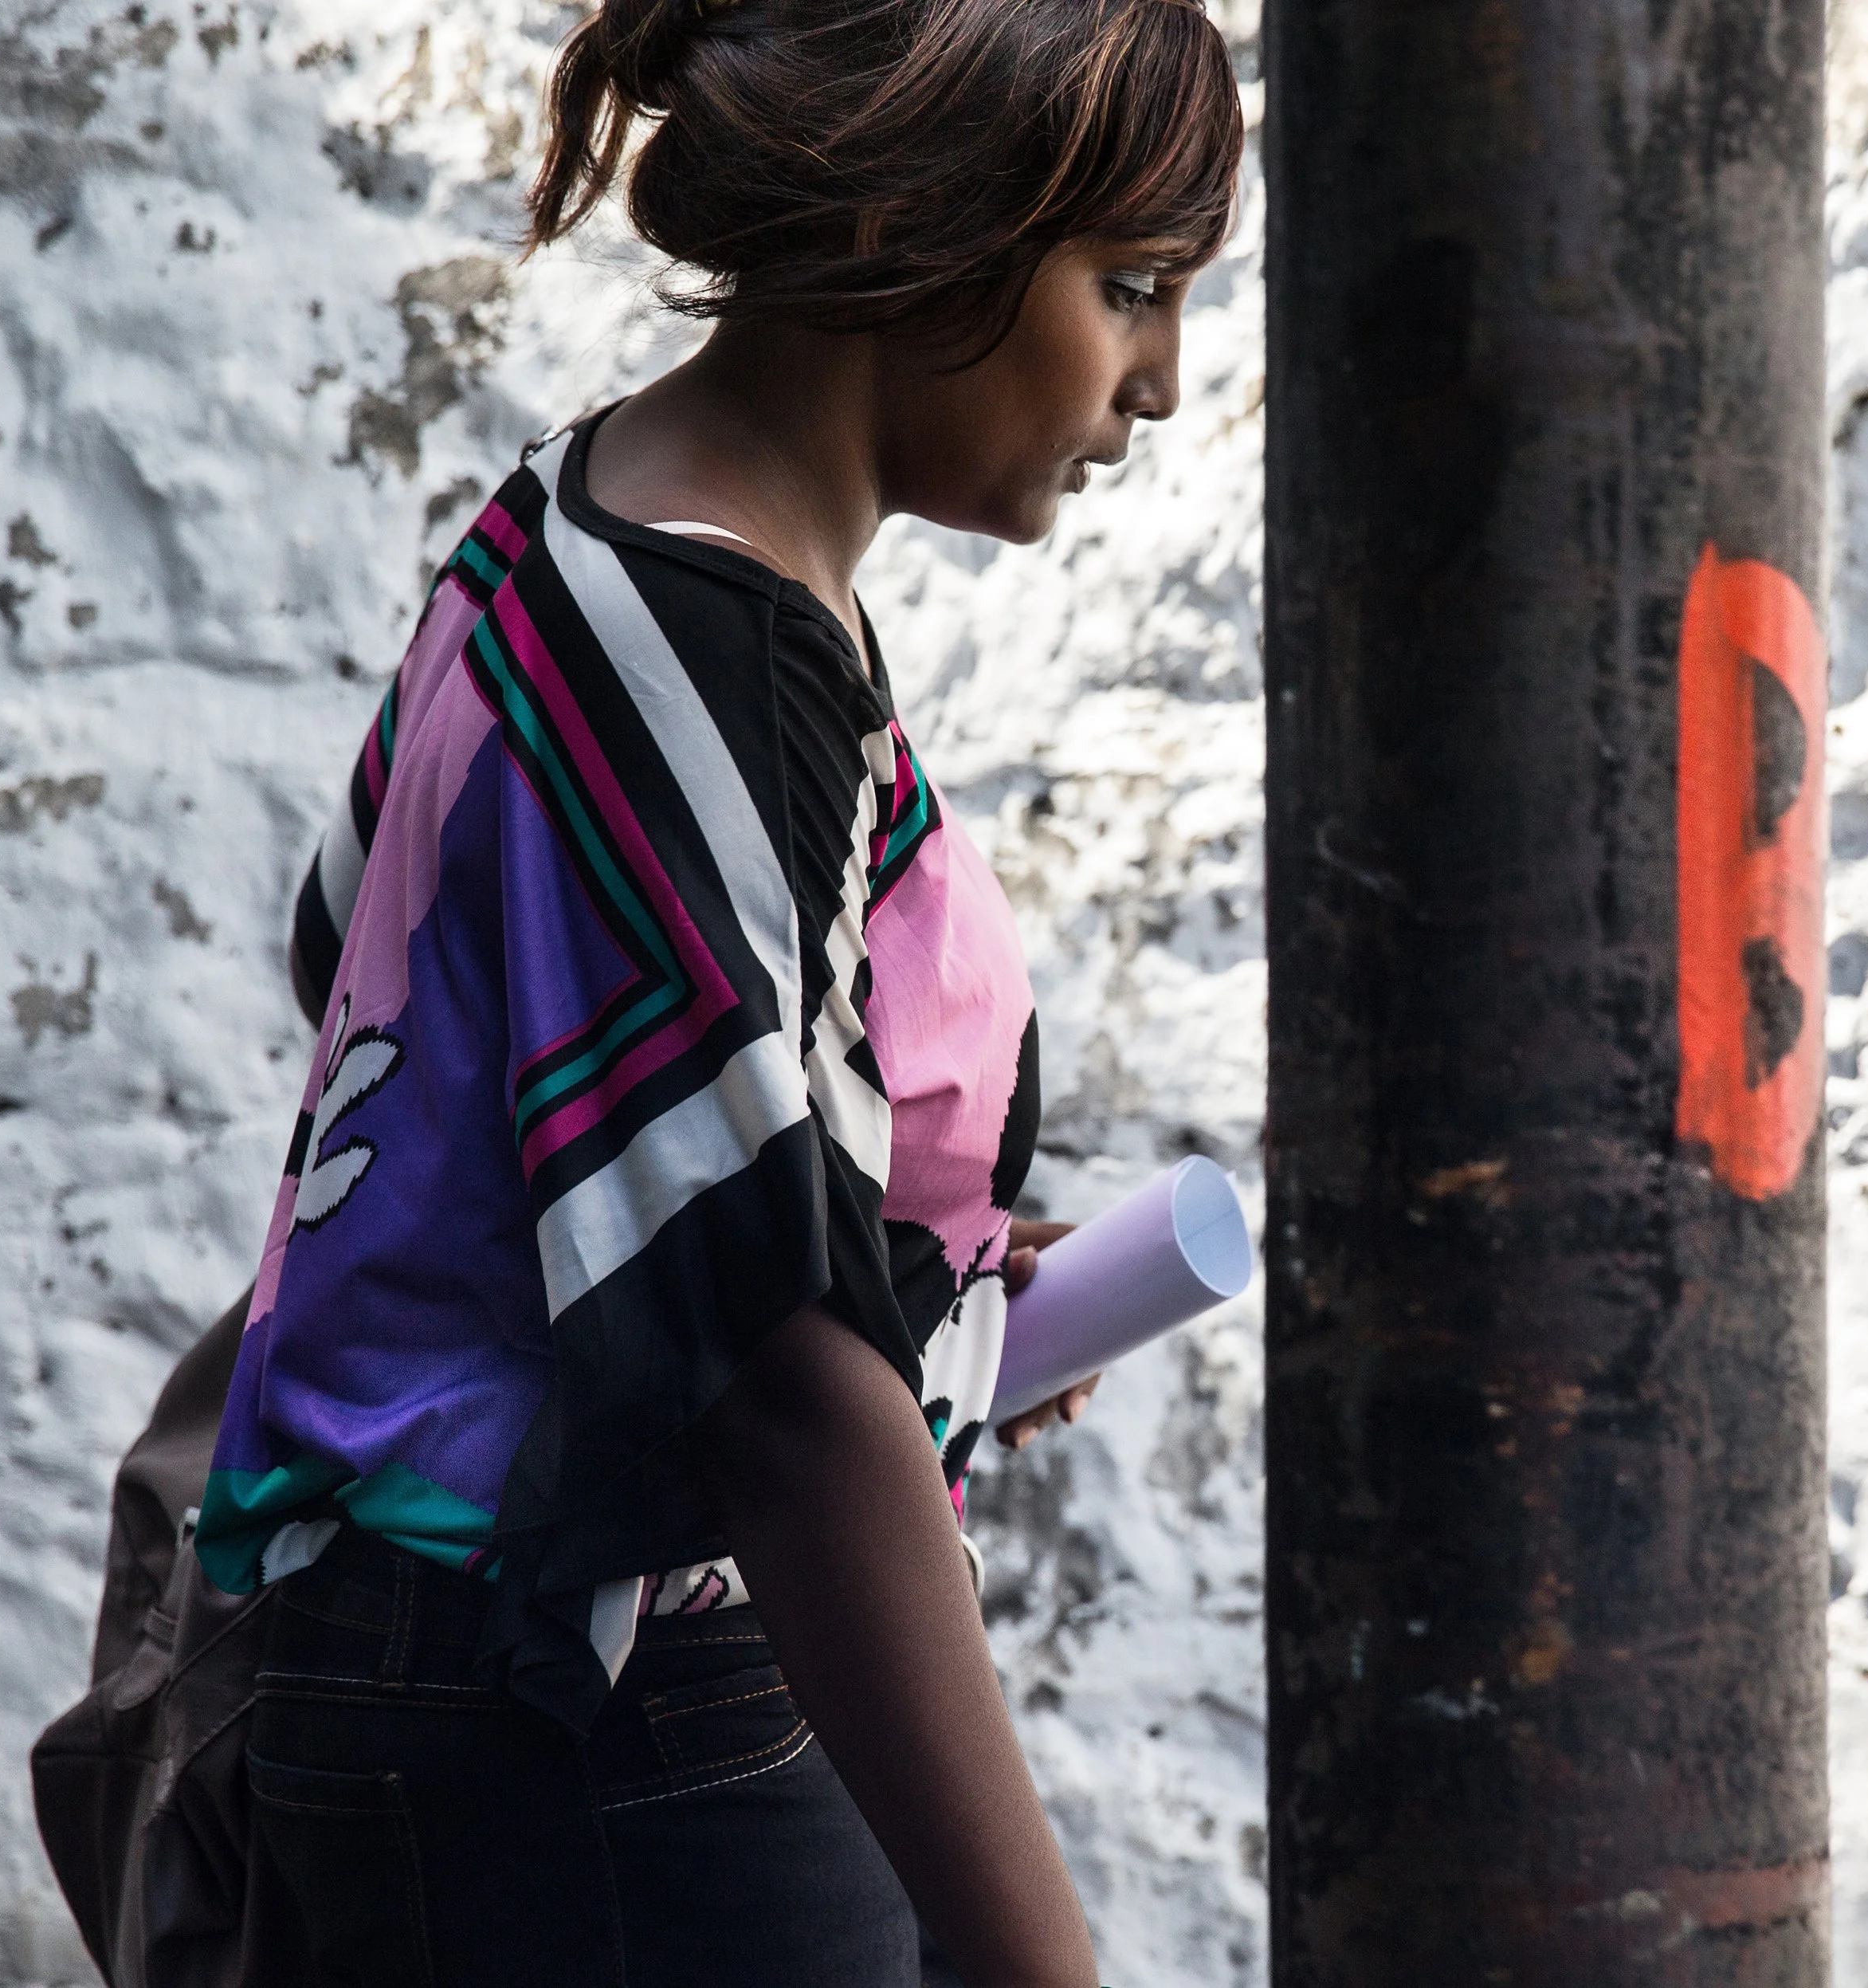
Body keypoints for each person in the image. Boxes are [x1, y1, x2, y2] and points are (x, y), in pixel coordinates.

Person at [194, 0, 1242, 1981]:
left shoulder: (561, 530)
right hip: (585, 1713)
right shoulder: (696, 639)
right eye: (1128, 288)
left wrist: (911, 1254)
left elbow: (380, 982)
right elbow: (766, 1373)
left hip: (459, 1702)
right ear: (914, 228)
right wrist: (1044, 1961)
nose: (1162, 384)